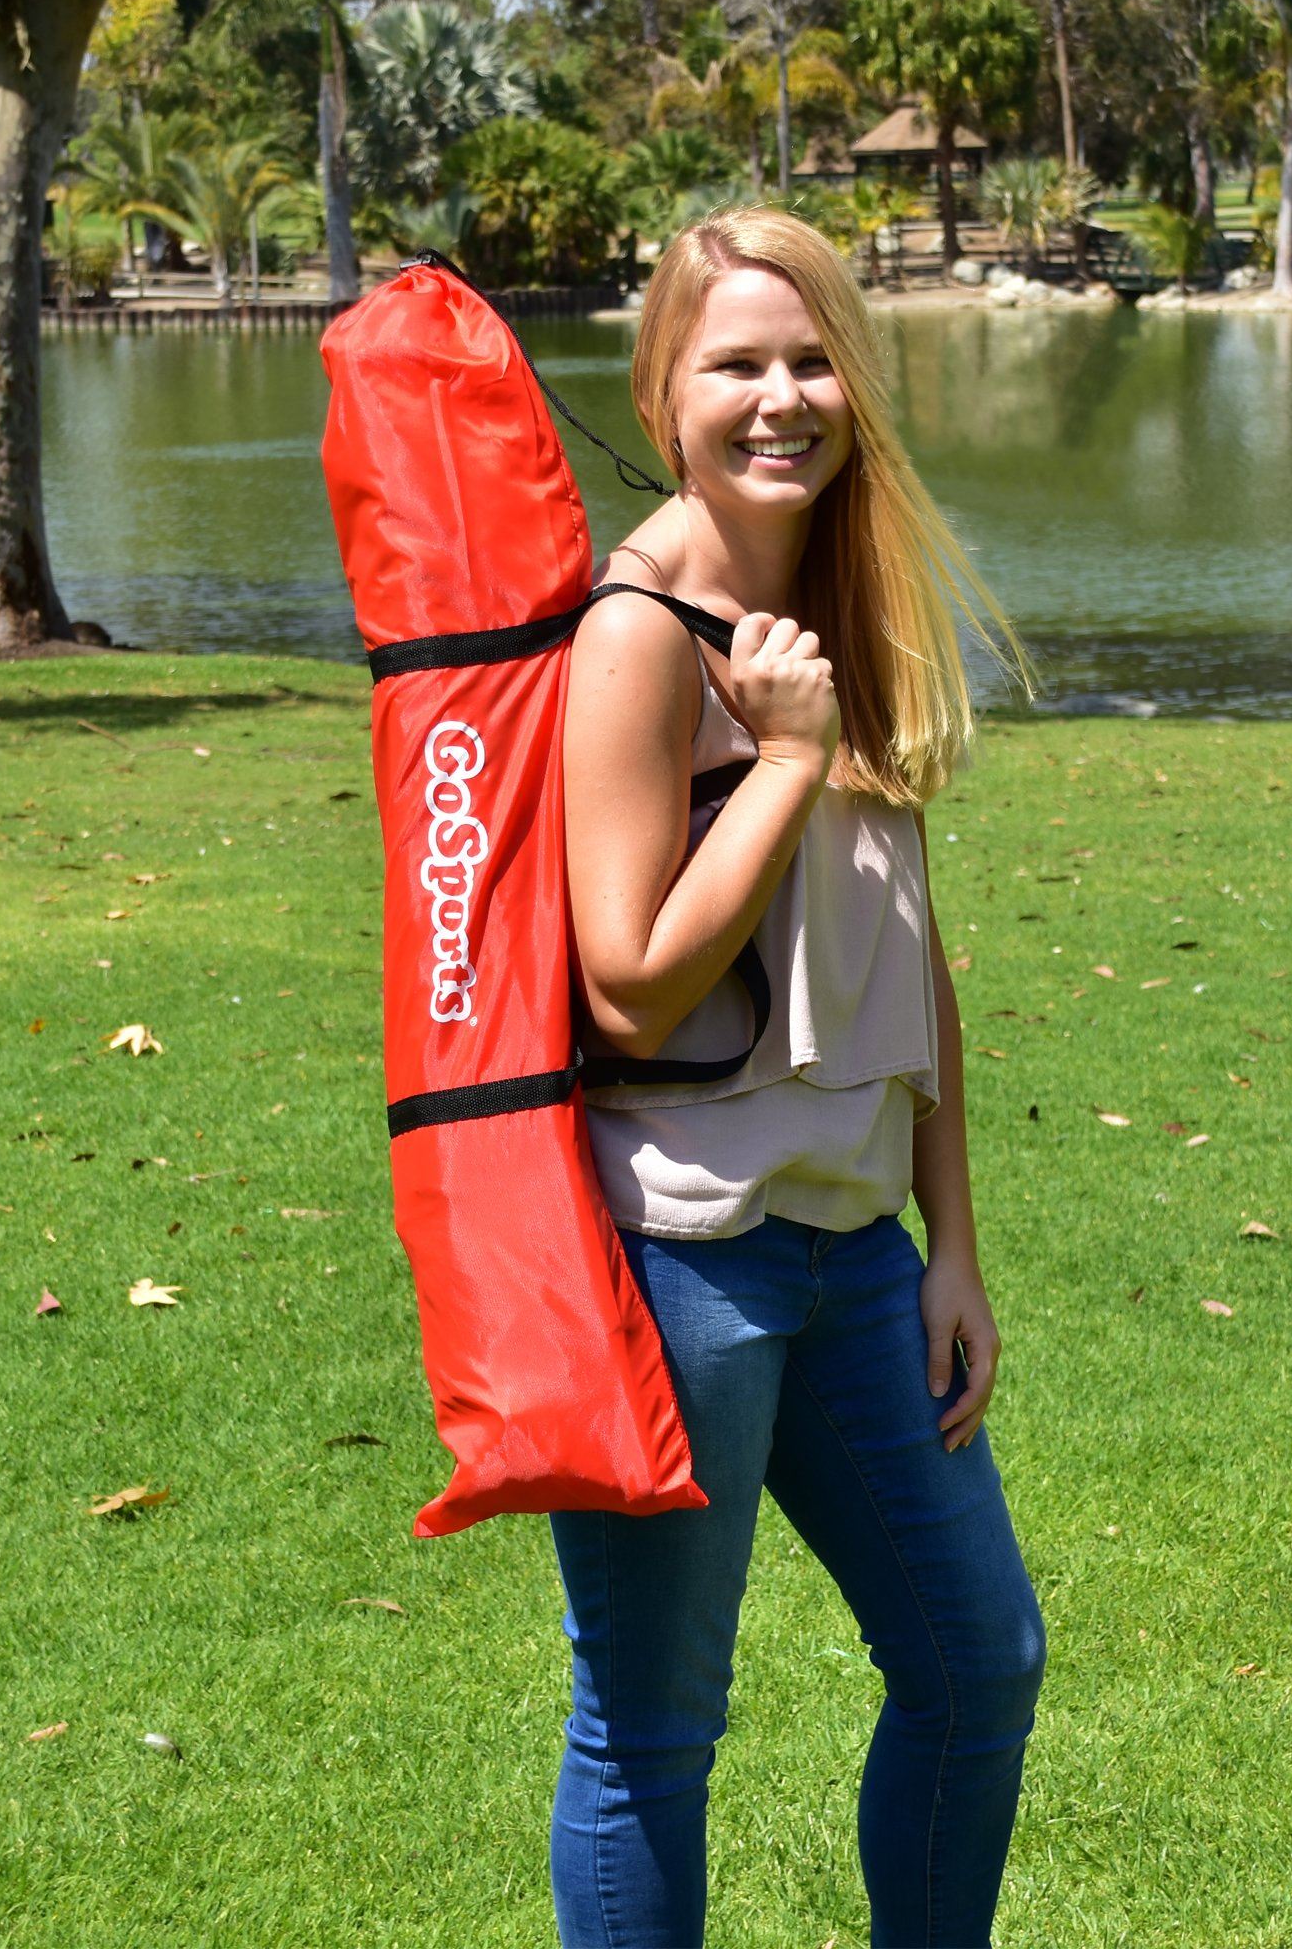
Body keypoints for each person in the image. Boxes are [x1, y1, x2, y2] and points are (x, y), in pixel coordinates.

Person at [551, 206, 1045, 1949]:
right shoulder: (634, 632)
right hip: (685, 1257)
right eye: (737, 362)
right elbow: (624, 984)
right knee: (654, 1735)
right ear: (662, 388)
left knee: (980, 1665)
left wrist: (955, 1242)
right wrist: (778, 760)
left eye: (812, 356)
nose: (784, 397)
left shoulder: (847, 605)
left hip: (860, 1258)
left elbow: (915, 952)